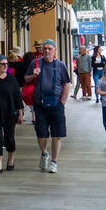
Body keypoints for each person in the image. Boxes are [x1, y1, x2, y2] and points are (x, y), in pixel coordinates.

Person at [24, 39, 71, 173]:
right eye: (45, 48)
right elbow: (25, 79)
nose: (47, 51)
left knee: (57, 135)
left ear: (55, 50)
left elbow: (66, 84)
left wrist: (62, 102)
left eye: (50, 48)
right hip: (40, 105)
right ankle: (44, 153)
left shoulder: (61, 65)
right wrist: (33, 75)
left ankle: (54, 161)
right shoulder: (35, 63)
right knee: (41, 134)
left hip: (56, 105)